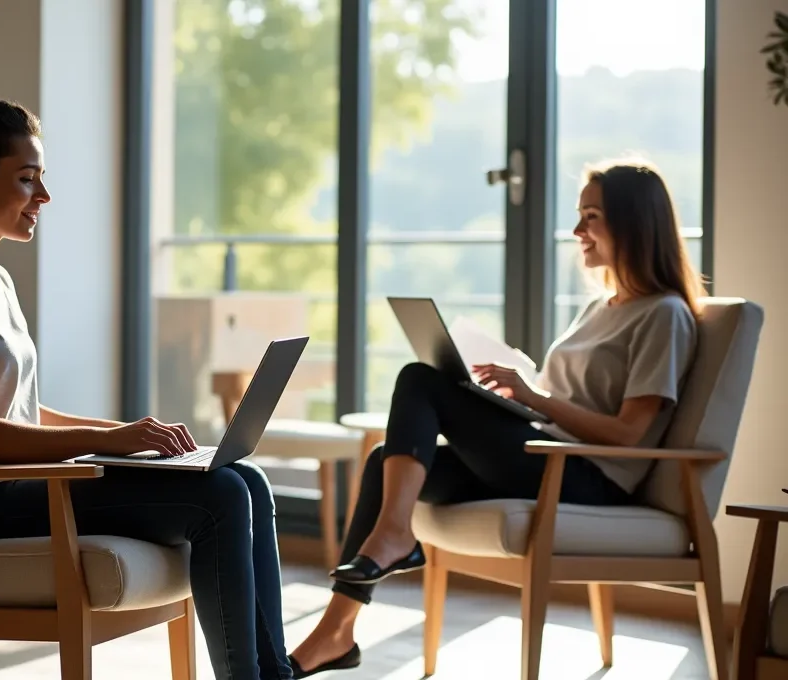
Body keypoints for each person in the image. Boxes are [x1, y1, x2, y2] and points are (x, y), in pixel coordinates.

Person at [0, 81, 292, 680]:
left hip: (24, 484)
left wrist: (129, 434)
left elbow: (25, 413)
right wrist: (110, 443)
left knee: (247, 479)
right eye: (27, 179)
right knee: (221, 496)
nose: (43, 196)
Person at [287, 158, 704, 677]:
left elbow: (630, 434)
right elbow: (568, 397)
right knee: (381, 461)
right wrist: (516, 386)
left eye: (591, 217)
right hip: (545, 454)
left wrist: (535, 398)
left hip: (585, 478)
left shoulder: (664, 315)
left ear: (634, 223)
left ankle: (394, 537)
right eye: (580, 216)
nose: (578, 231)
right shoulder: (601, 307)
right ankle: (336, 632)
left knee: (421, 379)